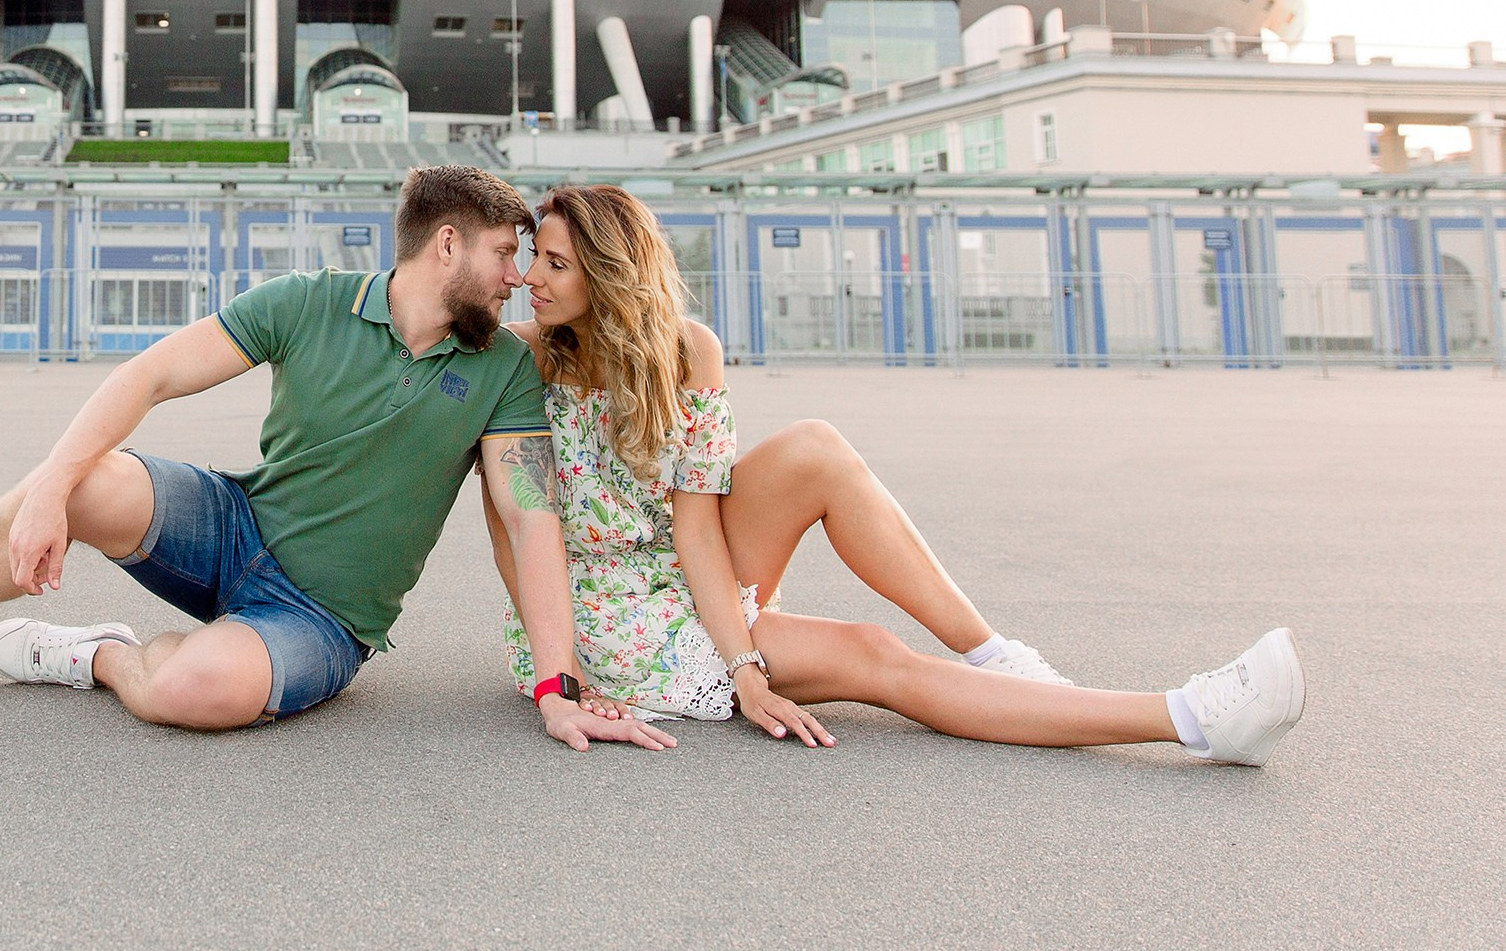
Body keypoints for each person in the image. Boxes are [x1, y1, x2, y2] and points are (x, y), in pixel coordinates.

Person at [0, 165, 668, 751]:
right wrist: (52, 490)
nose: (518, 276)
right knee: (83, 478)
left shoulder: (503, 367)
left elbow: (531, 514)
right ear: (447, 244)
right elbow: (155, 373)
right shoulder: (306, 302)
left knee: (195, 690)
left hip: (323, 618)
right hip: (235, 527)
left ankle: (94, 655)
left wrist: (557, 684)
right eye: (506, 254)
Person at [485, 182, 1305, 766]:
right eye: (532, 261)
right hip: (607, 615)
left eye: (553, 263)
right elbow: (513, 533)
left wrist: (742, 661)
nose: (529, 278)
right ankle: (1192, 717)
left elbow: (697, 526)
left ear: (610, 272)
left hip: (676, 567)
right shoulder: (519, 361)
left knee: (815, 446)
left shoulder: (687, 350)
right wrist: (564, 674)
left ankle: (994, 656)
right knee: (874, 655)